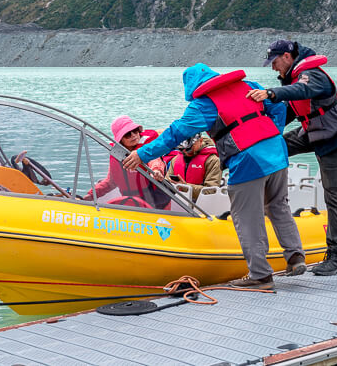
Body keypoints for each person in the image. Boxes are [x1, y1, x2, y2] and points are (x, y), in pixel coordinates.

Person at [123, 63, 306, 290]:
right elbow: (277, 106)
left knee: (247, 217)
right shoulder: (248, 85)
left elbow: (175, 133)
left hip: (248, 160)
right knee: (278, 205)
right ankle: (296, 257)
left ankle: (260, 276)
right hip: (277, 152)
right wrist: (272, 133)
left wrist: (142, 153)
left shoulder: (203, 104)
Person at [247, 40, 337, 276]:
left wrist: (270, 93)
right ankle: (269, 198)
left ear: (286, 56)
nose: (273, 68)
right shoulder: (294, 77)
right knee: (276, 146)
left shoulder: (311, 74)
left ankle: (336, 256)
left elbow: (303, 91)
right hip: (312, 131)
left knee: (333, 196)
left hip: (333, 137)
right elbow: (294, 110)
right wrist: (262, 132)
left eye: (274, 62)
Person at [85, 115, 168, 208]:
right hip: (131, 202)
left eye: (135, 131)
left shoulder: (147, 149)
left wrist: (156, 171)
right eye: (128, 134)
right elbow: (110, 182)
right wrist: (90, 196)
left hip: (156, 201)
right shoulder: (117, 155)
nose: (133, 135)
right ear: (120, 140)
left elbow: (155, 161)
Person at [162, 133, 223, 200]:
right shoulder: (175, 160)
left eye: (189, 149)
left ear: (200, 140)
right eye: (182, 149)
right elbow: (167, 183)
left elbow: (211, 191)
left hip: (201, 205)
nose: (185, 152)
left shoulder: (213, 161)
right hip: (178, 203)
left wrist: (185, 187)